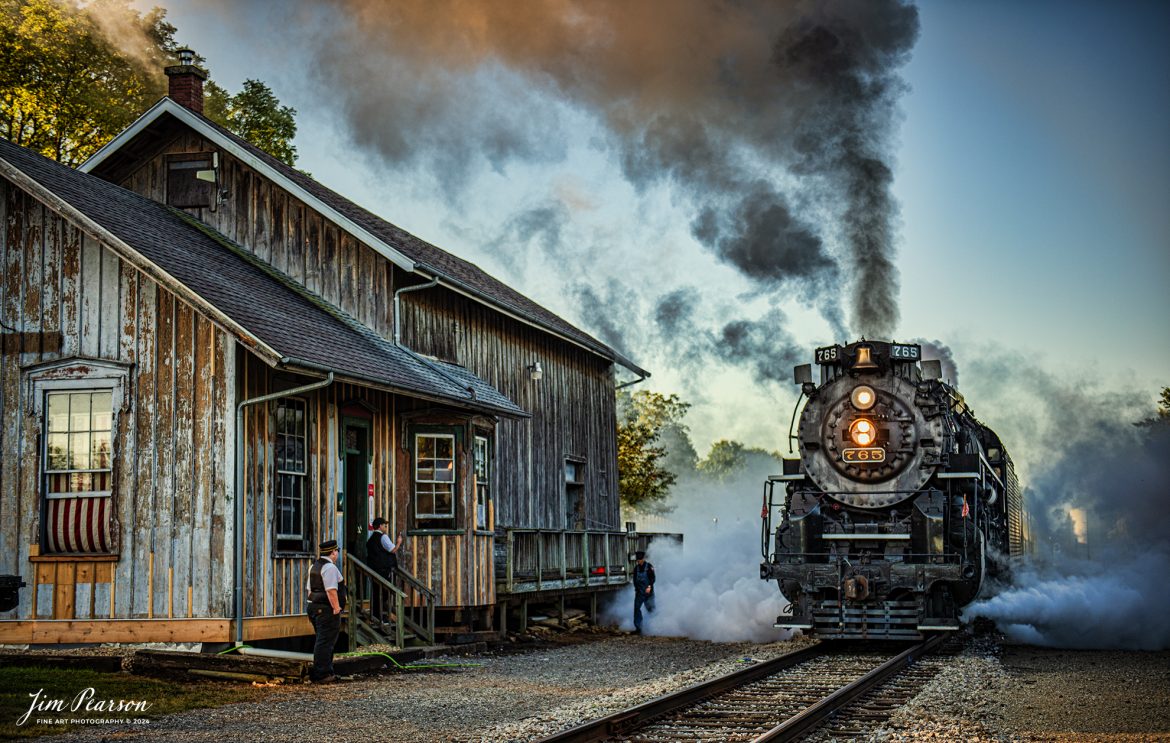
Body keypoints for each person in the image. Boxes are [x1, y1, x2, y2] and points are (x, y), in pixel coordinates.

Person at [305, 539, 346, 683]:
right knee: (325, 641)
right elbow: (331, 590)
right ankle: (322, 674)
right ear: (333, 552)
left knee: (322, 639)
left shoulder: (313, 567)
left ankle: (325, 671)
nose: (337, 554)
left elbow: (309, 591)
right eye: (337, 551)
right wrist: (336, 608)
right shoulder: (330, 568)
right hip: (327, 609)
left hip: (314, 607)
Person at [365, 517, 404, 626]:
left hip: (374, 569)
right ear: (380, 526)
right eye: (384, 525)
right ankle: (382, 616)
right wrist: (399, 542)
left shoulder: (371, 539)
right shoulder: (383, 537)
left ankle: (377, 615)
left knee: (376, 592)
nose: (386, 527)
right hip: (383, 569)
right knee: (385, 593)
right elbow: (393, 550)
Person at [632, 550, 655, 635]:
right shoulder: (636, 568)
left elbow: (653, 578)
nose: (639, 561)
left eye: (640, 560)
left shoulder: (649, 567)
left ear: (643, 559)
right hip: (639, 592)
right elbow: (635, 580)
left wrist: (649, 586)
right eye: (637, 560)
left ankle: (654, 627)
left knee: (650, 609)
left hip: (648, 592)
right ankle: (638, 628)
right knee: (637, 609)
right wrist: (636, 589)